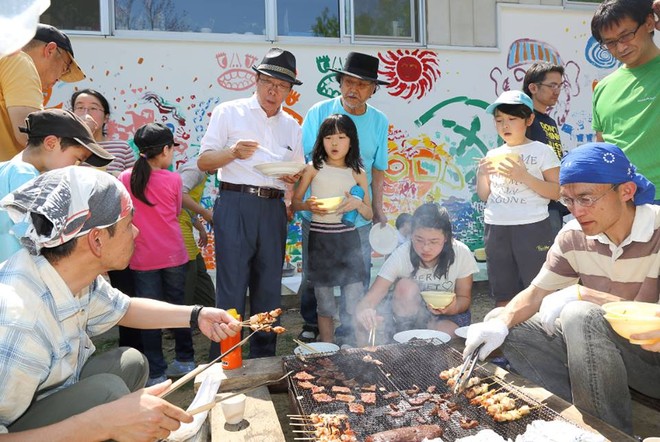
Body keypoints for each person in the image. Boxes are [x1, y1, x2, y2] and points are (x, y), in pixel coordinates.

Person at [0, 166, 240, 439]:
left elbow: (123, 308)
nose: (136, 232)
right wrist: (98, 423)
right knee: (108, 392)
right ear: (97, 239)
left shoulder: (67, 272)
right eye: (128, 224)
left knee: (130, 363)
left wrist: (197, 314)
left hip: (42, 397)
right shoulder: (19, 325)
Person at [464, 142, 659, 435]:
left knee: (579, 314)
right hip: (605, 359)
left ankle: (609, 434)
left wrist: (587, 295)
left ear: (626, 191)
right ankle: (574, 419)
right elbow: (535, 294)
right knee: (515, 326)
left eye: (586, 198)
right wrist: (499, 322)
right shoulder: (573, 236)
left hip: (653, 361)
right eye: (568, 200)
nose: (577, 211)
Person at [197, 48, 304, 358]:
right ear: (256, 80)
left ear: (289, 90)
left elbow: (295, 172)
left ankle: (263, 359)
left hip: (272, 209)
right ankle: (226, 358)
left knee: (269, 289)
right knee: (231, 286)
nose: (274, 91)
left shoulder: (292, 126)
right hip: (235, 203)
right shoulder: (229, 112)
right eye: (268, 81)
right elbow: (204, 161)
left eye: (282, 85)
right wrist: (232, 152)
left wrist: (293, 181)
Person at [298, 52, 390, 344]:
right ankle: (313, 324)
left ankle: (352, 332)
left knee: (357, 275)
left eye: (362, 85)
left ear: (373, 89)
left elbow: (377, 168)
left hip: (356, 217)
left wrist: (376, 208)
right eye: (348, 82)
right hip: (319, 217)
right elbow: (306, 162)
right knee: (314, 278)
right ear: (339, 83)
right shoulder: (318, 112)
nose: (354, 89)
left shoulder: (379, 120)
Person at [119, 123, 193, 386]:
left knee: (149, 315)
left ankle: (156, 371)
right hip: (173, 254)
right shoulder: (173, 179)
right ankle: (186, 360)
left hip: (142, 258)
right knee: (179, 309)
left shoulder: (125, 178)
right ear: (165, 149)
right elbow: (174, 212)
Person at [291, 114, 372, 344]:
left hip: (348, 242)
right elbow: (295, 204)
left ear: (351, 140)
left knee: (354, 298)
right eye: (329, 137)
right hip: (321, 241)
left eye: (341, 137)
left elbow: (369, 214)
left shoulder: (358, 172)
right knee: (324, 301)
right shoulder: (313, 168)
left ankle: (359, 349)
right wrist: (307, 205)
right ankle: (327, 349)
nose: (334, 143)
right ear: (321, 141)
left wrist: (358, 204)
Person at [476, 90, 560, 307]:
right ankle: (503, 333)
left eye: (512, 119)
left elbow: (557, 191)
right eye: (499, 120)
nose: (505, 125)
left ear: (529, 119)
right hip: (496, 226)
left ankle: (540, 337)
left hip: (532, 227)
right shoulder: (492, 153)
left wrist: (524, 177)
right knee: (502, 291)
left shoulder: (542, 151)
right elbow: (484, 195)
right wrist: (482, 174)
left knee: (536, 288)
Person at [355, 203, 478, 345]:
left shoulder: (461, 253)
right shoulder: (401, 255)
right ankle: (403, 341)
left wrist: (453, 308)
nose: (425, 248)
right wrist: (366, 312)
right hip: (408, 316)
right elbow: (369, 300)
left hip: (448, 316)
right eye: (419, 239)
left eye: (433, 241)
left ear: (446, 238)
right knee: (405, 287)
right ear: (411, 234)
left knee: (443, 333)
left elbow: (464, 298)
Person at [0, 108, 113, 262]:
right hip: (20, 275)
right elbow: (39, 238)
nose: (75, 166)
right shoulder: (25, 174)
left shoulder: (8, 168)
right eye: (77, 158)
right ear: (51, 143)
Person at [591, 0, 660, 202]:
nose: (621, 47)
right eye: (610, 42)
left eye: (626, 35)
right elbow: (602, 148)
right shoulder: (603, 88)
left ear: (648, 23)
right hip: (621, 204)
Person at [0, 24, 85, 161]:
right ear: (50, 50)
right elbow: (32, 136)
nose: (61, 77)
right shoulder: (19, 61)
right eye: (65, 67)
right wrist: (81, 133)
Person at [523, 61, 569, 236]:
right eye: (551, 85)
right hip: (534, 206)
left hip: (554, 203)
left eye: (559, 85)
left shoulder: (549, 121)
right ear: (533, 88)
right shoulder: (524, 119)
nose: (556, 91)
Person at [71, 88, 136, 176]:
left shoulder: (122, 148)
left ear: (106, 117)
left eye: (93, 108)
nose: (86, 113)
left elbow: (133, 182)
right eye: (80, 107)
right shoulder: (65, 146)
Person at [177, 159, 215, 308]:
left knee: (199, 273)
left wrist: (200, 228)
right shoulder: (196, 170)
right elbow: (179, 196)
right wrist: (204, 212)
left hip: (186, 224)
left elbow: (188, 206)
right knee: (189, 275)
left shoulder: (202, 172)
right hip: (178, 227)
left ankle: (206, 312)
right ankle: (182, 324)